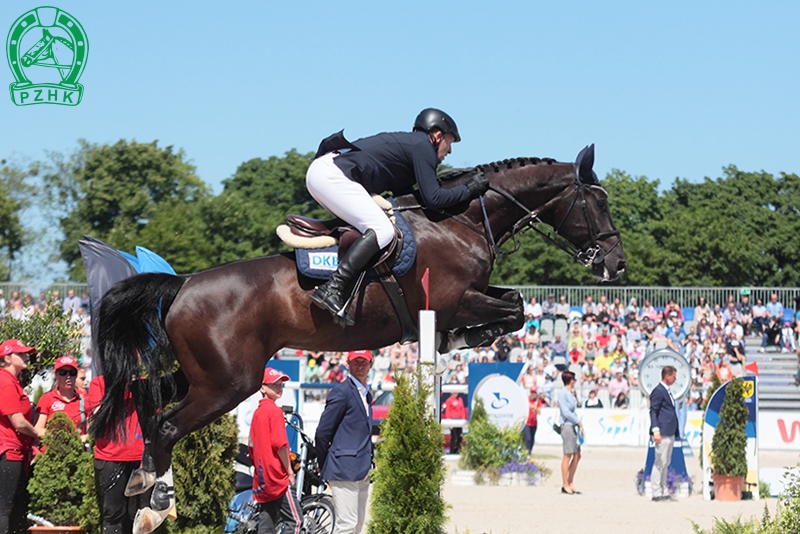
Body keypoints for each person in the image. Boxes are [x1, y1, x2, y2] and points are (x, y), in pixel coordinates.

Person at [305, 109, 489, 325]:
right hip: (332, 176)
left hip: (326, 174)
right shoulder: (423, 146)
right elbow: (434, 198)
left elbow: (410, 199)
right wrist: (469, 190)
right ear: (437, 135)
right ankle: (332, 289)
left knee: (378, 225)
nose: (449, 151)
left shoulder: (412, 149)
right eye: (450, 142)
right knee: (383, 230)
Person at [315, 350, 374, 534]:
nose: (360, 365)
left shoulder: (366, 393)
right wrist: (325, 464)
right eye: (355, 361)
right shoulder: (341, 392)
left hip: (362, 467)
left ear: (370, 365)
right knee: (346, 526)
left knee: (357, 525)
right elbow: (322, 433)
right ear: (348, 364)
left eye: (363, 362)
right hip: (343, 467)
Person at [87, 375, 153, 534]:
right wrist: (118, 385)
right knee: (113, 515)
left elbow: (154, 420)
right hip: (111, 459)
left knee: (141, 517)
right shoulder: (100, 383)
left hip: (140, 460)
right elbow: (96, 418)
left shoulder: (144, 384)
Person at [249, 368, 301, 534]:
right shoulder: (274, 411)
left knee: (267, 523)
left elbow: (251, 446)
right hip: (278, 476)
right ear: (262, 387)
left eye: (281, 384)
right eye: (274, 384)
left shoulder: (257, 413)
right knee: (295, 522)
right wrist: (289, 472)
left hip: (263, 477)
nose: (279, 387)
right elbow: (280, 445)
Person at [0, 339, 42, 534]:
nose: (26, 356)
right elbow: (18, 422)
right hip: (8, 452)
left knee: (11, 509)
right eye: (21, 354)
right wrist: (38, 434)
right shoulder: (6, 381)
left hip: (15, 452)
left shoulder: (12, 382)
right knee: (4, 510)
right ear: (7, 358)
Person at [35, 355, 86, 438]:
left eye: (72, 373)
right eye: (63, 372)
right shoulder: (47, 398)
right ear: (56, 374)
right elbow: (38, 429)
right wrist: (59, 437)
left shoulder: (83, 398)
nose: (68, 376)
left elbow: (91, 431)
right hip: (51, 448)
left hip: (76, 448)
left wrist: (84, 438)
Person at [649, 365, 679, 502]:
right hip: (662, 431)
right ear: (667, 376)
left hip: (670, 431)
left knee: (666, 462)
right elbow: (653, 412)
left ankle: (664, 489)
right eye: (674, 376)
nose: (675, 379)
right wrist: (656, 430)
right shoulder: (658, 391)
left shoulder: (667, 391)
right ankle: (656, 492)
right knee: (659, 462)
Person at [557, 371, 582, 495]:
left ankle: (570, 481)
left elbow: (578, 404)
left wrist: (575, 395)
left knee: (577, 455)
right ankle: (565, 483)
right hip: (567, 425)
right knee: (568, 455)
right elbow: (566, 412)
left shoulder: (570, 393)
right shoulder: (562, 393)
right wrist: (578, 422)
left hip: (572, 425)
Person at [524, 387, 541, 455]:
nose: (533, 394)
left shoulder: (537, 401)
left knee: (532, 439)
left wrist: (535, 408)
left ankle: (529, 452)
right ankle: (527, 451)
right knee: (528, 438)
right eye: (532, 393)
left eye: (534, 393)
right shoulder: (526, 400)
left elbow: (539, 412)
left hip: (534, 422)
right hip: (527, 422)